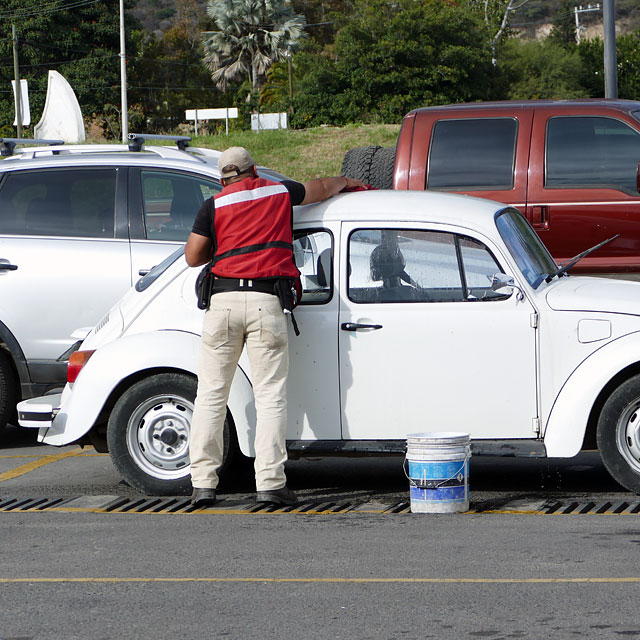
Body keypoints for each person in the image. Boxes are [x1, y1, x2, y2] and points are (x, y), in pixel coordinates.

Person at [185, 147, 364, 507]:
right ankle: (269, 483)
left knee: (210, 396)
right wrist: (346, 182)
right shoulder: (279, 191)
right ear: (254, 171)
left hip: (222, 305)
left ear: (223, 179)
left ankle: (203, 483)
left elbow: (193, 256)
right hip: (266, 304)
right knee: (270, 397)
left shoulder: (214, 206)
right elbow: (321, 187)